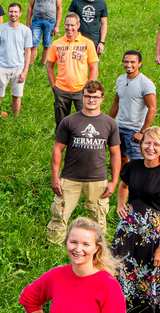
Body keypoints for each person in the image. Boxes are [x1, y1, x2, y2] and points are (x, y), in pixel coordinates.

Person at [112, 127, 160, 313]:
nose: (151, 148)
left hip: (152, 234)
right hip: (128, 231)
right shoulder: (133, 167)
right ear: (141, 144)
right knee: (120, 271)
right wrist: (120, 204)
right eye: (147, 143)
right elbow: (123, 187)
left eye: (156, 144)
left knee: (147, 274)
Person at [49, 81, 123, 243]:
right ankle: (53, 254)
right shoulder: (69, 121)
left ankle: (97, 253)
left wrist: (114, 181)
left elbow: (115, 154)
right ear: (82, 97)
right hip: (70, 178)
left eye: (95, 97)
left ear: (102, 98)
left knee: (99, 220)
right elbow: (57, 150)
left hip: (98, 179)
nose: (91, 100)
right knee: (59, 217)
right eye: (88, 97)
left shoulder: (110, 123)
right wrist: (55, 177)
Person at [44, 14, 101, 125]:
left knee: (85, 121)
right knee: (61, 123)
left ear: (78, 25)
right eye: (67, 25)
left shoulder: (87, 43)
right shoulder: (56, 44)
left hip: (81, 90)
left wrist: (89, 87)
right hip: (61, 89)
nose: (69, 28)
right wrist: (53, 86)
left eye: (72, 25)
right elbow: (49, 66)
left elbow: (94, 67)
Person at [0, 3, 37, 119]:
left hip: (18, 68)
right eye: (11, 11)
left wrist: (25, 71)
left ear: (20, 14)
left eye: (16, 12)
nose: (13, 14)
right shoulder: (0, 29)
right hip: (2, 67)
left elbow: (27, 51)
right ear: (8, 13)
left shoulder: (26, 31)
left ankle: (15, 119)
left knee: (17, 95)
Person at [109, 51, 159, 161]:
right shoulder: (120, 80)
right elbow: (116, 102)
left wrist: (142, 132)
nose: (128, 65)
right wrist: (108, 122)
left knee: (136, 160)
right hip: (119, 127)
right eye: (126, 61)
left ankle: (137, 178)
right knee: (120, 158)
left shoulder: (145, 83)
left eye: (133, 62)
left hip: (134, 130)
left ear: (139, 64)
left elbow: (152, 108)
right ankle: (123, 178)